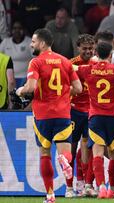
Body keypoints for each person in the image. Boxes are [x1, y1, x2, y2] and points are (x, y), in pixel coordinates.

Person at [16, 28, 82, 203]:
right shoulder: (65, 62)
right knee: (66, 152)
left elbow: (30, 88)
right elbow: (79, 88)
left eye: (33, 42)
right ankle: (64, 160)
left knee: (45, 153)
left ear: (42, 43)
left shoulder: (36, 62)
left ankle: (51, 195)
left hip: (43, 115)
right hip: (63, 113)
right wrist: (65, 96)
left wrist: (20, 91)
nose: (31, 44)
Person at [74, 41, 114, 199]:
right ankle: (112, 188)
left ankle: (100, 186)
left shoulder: (88, 70)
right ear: (110, 54)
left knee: (98, 154)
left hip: (96, 118)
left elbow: (71, 68)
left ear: (95, 52)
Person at [64, 34, 96, 198]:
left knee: (87, 149)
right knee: (70, 148)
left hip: (91, 112)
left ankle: (84, 184)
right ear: (78, 48)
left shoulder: (97, 64)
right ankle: (69, 187)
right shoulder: (70, 64)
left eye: (91, 48)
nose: (88, 51)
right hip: (74, 111)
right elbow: (62, 87)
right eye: (85, 49)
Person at [0, 20, 33, 87]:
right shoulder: (6, 42)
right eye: (15, 28)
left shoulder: (30, 42)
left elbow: (36, 59)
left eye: (19, 28)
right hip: (8, 78)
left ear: (23, 30)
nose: (17, 30)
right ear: (11, 30)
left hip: (25, 78)